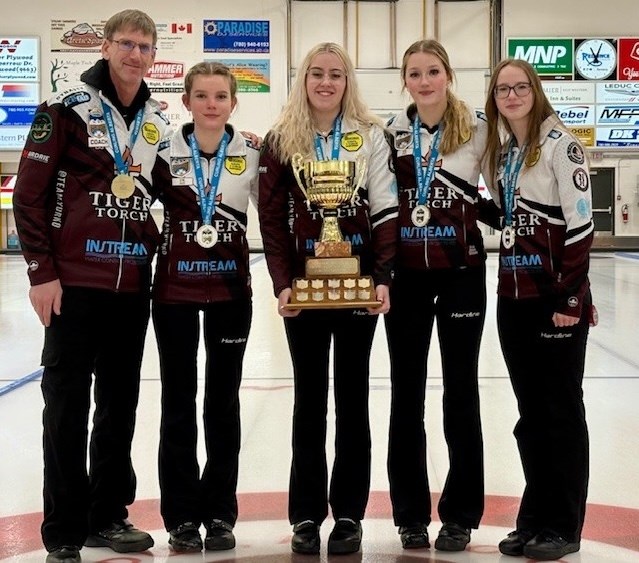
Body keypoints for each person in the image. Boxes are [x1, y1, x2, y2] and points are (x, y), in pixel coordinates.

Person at [12, 10, 170, 563]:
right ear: (105, 48)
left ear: (154, 55)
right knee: (65, 408)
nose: (135, 54)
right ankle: (62, 531)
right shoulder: (65, 112)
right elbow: (28, 197)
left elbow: (172, 191)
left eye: (145, 47)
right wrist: (41, 273)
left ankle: (108, 516)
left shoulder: (156, 120)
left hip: (131, 291)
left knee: (119, 408)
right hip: (73, 285)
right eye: (125, 44)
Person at [258, 42, 398, 555]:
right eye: (316, 74)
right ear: (303, 80)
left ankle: (350, 516)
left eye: (335, 75)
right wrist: (281, 282)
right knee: (309, 402)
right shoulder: (280, 139)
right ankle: (304, 515)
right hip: (305, 289)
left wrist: (382, 276)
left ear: (347, 81)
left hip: (357, 285)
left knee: (353, 400)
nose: (325, 83)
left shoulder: (370, 136)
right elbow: (271, 222)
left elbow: (385, 209)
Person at [483, 58, 594, 561]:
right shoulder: (507, 152)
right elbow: (512, 219)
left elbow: (580, 227)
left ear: (535, 90)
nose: (511, 95)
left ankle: (564, 524)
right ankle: (534, 517)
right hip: (514, 297)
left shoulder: (559, 145)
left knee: (560, 413)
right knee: (530, 417)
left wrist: (571, 298)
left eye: (520, 86)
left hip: (555, 303)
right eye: (503, 89)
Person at [384, 39, 491, 552]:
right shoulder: (389, 133)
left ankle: (461, 514)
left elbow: (504, 192)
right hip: (405, 276)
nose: (424, 82)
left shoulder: (478, 131)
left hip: (461, 274)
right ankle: (408, 514)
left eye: (432, 71)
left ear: (448, 75)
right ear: (404, 80)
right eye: (414, 73)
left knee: (460, 392)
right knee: (405, 394)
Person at [152, 62, 259, 553]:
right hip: (173, 294)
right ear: (186, 101)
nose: (211, 104)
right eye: (201, 95)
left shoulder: (253, 153)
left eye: (220, 96)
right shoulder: (161, 149)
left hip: (232, 294)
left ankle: (219, 512)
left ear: (233, 103)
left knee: (222, 403)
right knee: (177, 403)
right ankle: (179, 516)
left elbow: (279, 215)